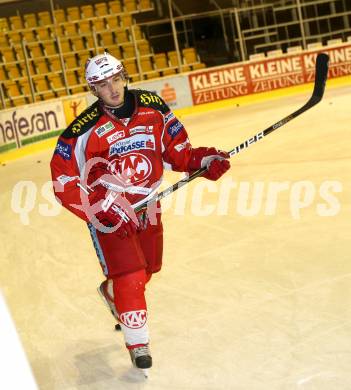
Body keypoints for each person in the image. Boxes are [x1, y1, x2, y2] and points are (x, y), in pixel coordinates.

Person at [50, 52, 230, 374]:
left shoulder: (153, 107)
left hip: (148, 205)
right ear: (94, 90)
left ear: (124, 77)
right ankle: (138, 343)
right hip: (110, 214)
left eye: (116, 80)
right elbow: (63, 180)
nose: (113, 89)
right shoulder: (82, 129)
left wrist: (202, 160)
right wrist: (97, 210)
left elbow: (178, 152)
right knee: (130, 276)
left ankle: (111, 292)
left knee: (148, 268)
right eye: (104, 85)